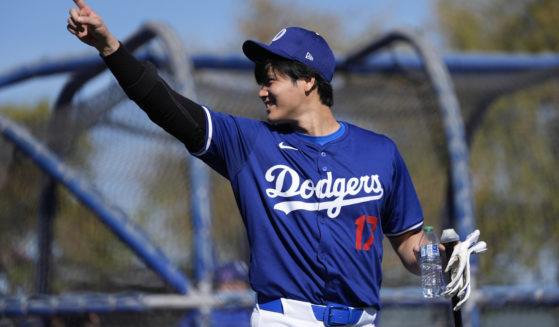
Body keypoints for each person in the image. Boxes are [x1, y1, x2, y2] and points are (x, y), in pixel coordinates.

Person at [66, 1, 434, 326]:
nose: (260, 91)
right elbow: (168, 107)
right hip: (286, 320)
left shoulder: (379, 151)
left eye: (269, 80)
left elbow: (408, 244)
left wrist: (437, 257)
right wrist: (110, 48)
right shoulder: (250, 142)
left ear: (308, 81)